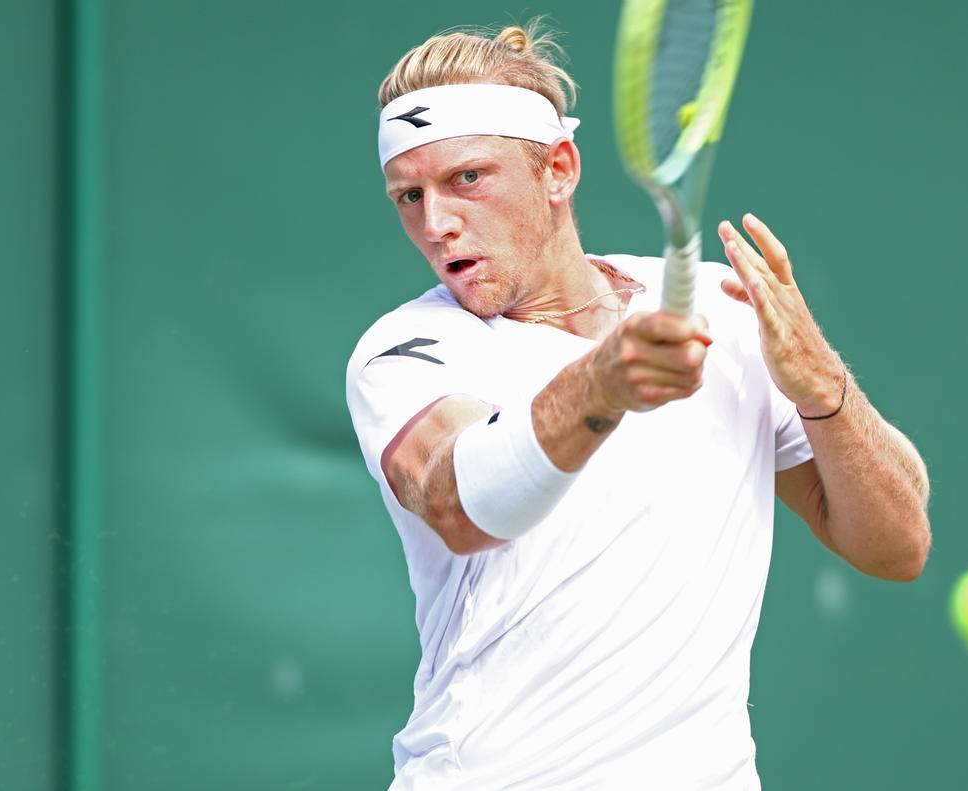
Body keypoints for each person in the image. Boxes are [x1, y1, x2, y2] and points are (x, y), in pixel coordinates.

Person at [346, 21, 930, 790]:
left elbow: (896, 546)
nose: (435, 222)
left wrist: (825, 388)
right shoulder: (404, 350)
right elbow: (457, 502)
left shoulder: (721, 308)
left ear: (558, 169)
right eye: (408, 196)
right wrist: (601, 385)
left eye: (467, 179)